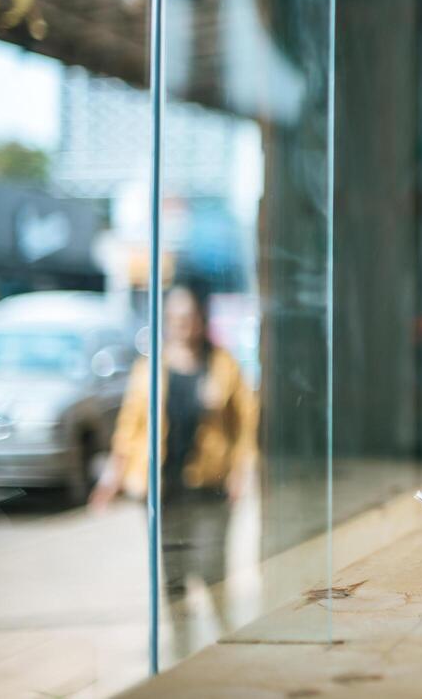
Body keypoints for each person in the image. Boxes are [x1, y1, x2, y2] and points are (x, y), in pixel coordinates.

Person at [90, 277, 259, 661]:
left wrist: (241, 472)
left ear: (202, 318)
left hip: (209, 488)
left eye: (190, 315)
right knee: (173, 577)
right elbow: (130, 425)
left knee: (213, 572)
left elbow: (246, 424)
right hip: (162, 490)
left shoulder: (223, 364)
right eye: (175, 316)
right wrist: (112, 478)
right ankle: (182, 653)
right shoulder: (150, 367)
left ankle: (228, 649)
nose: (182, 323)